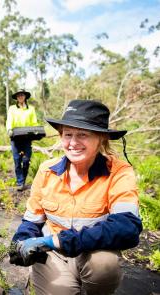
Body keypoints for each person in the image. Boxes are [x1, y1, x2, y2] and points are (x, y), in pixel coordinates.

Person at [9, 99, 142, 295]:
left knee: (104, 265)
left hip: (93, 251)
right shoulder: (47, 171)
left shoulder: (119, 172)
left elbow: (127, 228)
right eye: (67, 134)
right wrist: (21, 241)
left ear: (101, 139)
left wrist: (57, 241)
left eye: (83, 135)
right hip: (53, 255)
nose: (73, 143)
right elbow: (31, 220)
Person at [6, 89, 39, 191]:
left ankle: (22, 180)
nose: (20, 97)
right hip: (15, 138)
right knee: (17, 160)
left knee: (26, 160)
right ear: (16, 97)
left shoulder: (31, 109)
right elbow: (9, 121)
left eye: (22, 95)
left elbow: (34, 123)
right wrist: (9, 130)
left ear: (25, 97)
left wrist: (36, 130)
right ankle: (20, 182)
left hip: (26, 138)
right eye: (18, 95)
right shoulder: (12, 109)